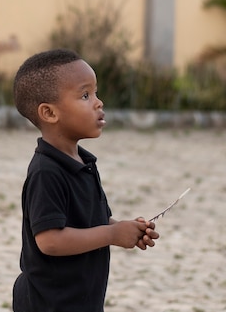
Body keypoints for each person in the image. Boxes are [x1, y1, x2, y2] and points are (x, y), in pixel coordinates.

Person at [11, 49, 160, 312]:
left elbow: (92, 223)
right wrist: (112, 234)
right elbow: (50, 241)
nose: (98, 103)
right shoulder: (47, 172)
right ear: (49, 113)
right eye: (85, 95)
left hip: (82, 299)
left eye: (96, 93)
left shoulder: (85, 164)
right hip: (50, 303)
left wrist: (126, 229)